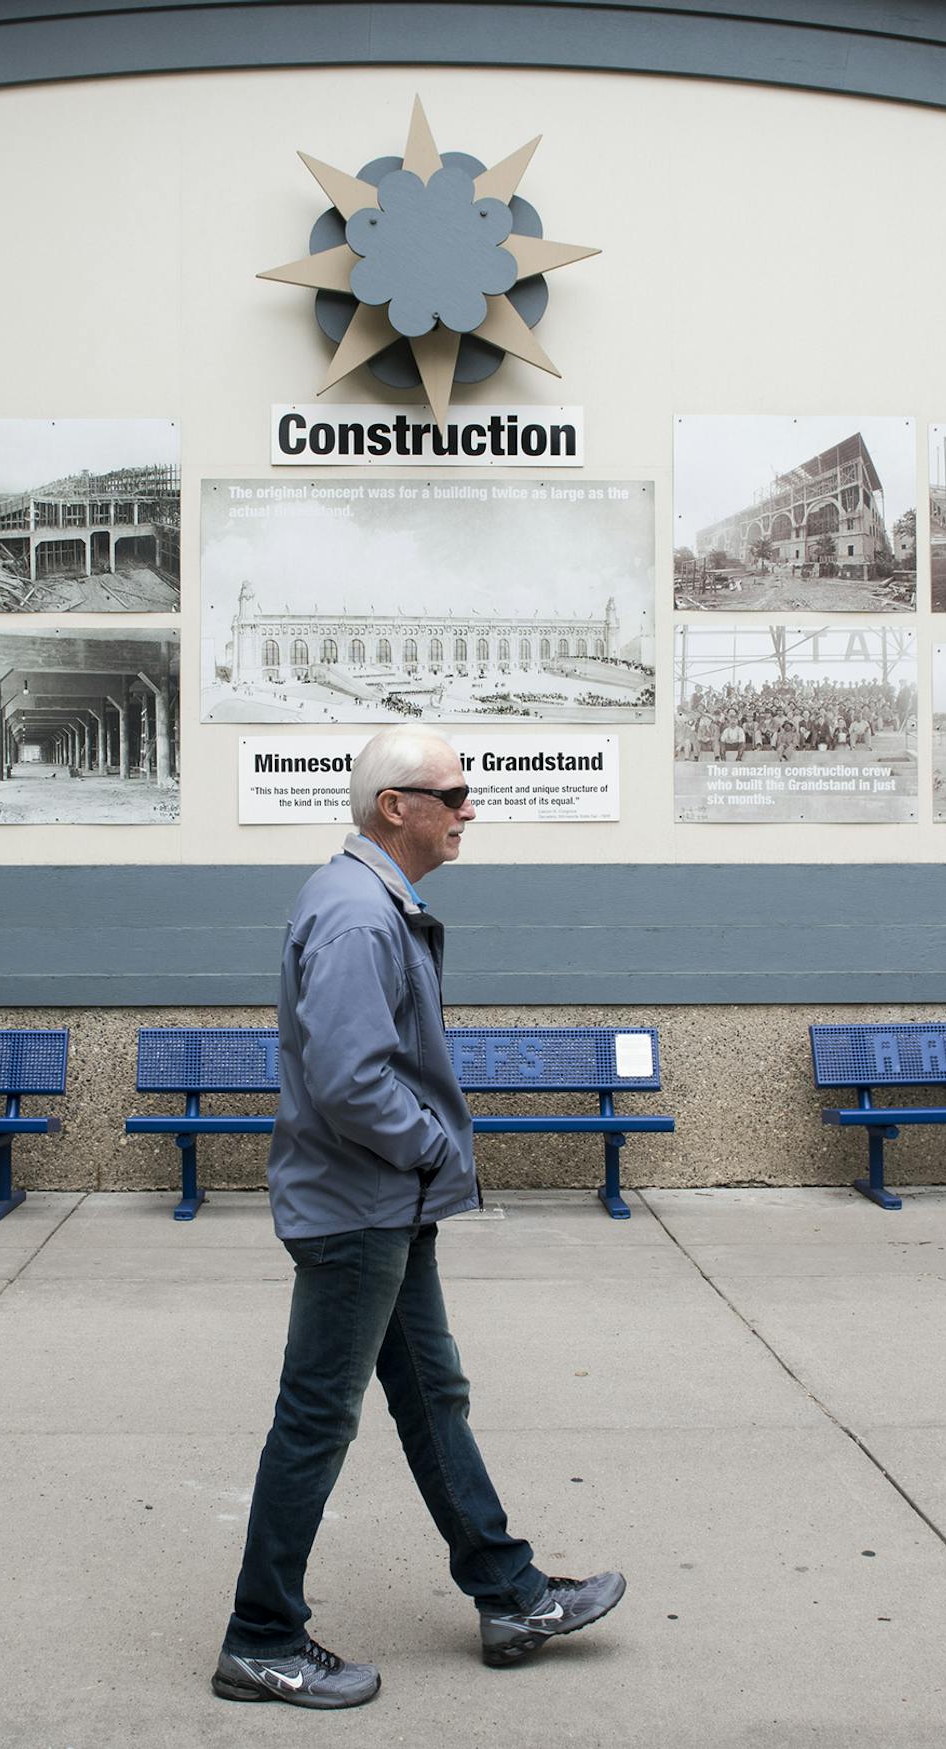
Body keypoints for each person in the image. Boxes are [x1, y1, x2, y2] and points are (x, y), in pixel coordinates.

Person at [214, 725, 626, 1710]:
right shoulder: (359, 916)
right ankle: (262, 1635)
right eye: (454, 792)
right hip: (361, 1209)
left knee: (432, 1396)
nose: (469, 809)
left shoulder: (365, 899)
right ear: (396, 805)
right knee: (316, 1420)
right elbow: (352, 1081)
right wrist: (435, 1149)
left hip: (378, 1205)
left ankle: (509, 1592)